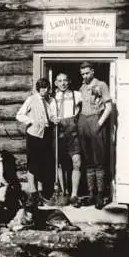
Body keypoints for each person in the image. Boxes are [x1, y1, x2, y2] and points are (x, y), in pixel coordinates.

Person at [16, 78, 57, 223]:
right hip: (34, 134)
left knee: (44, 164)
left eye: (46, 88)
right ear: (38, 88)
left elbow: (49, 116)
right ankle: (33, 192)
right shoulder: (31, 99)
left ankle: (43, 194)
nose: (44, 90)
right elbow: (19, 114)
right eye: (42, 88)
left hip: (45, 134)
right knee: (33, 163)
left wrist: (54, 119)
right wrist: (30, 121)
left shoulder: (48, 101)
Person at [77, 62, 112, 210]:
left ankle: (100, 195)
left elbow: (109, 107)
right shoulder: (82, 87)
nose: (85, 76)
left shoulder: (101, 85)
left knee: (99, 160)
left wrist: (99, 123)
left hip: (95, 120)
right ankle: (91, 194)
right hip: (83, 122)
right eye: (83, 74)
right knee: (89, 160)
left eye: (87, 73)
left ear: (92, 71)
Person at [53, 72, 82, 208]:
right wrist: (53, 119)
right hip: (58, 131)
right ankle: (64, 192)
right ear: (55, 83)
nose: (63, 83)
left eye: (65, 80)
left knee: (77, 161)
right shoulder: (51, 97)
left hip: (73, 131)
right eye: (60, 80)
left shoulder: (77, 95)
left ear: (69, 81)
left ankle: (74, 195)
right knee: (60, 164)